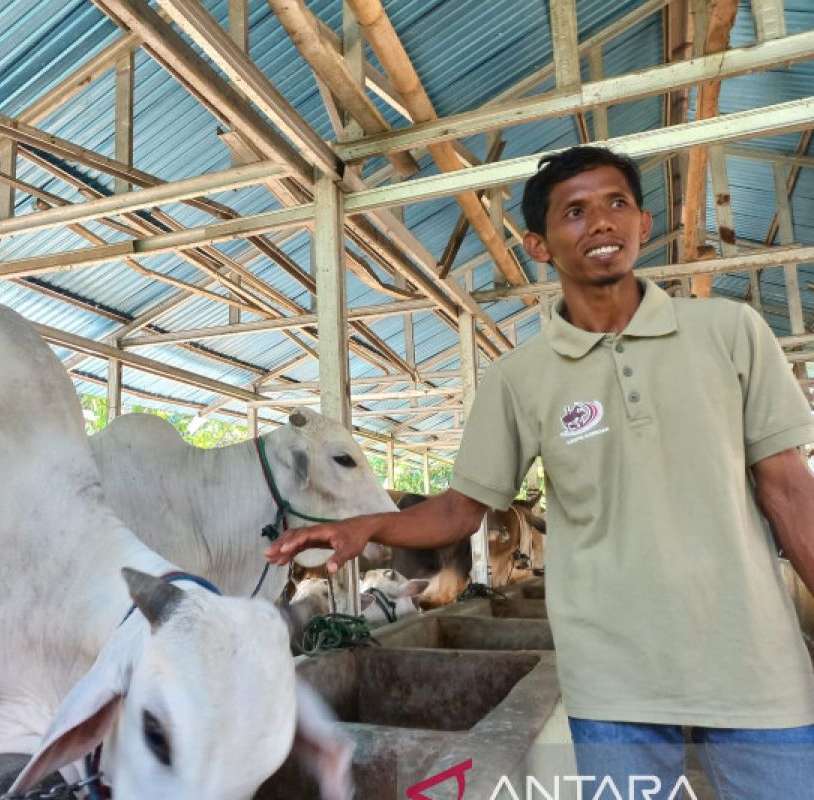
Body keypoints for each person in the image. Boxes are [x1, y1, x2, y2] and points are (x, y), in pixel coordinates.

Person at [265, 145, 814, 798]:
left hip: (754, 666)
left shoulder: (731, 331)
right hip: (613, 681)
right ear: (539, 245)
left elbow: (788, 492)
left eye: (617, 204)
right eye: (575, 212)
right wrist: (369, 526)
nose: (602, 223)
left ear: (643, 223)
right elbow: (461, 511)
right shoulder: (519, 377)